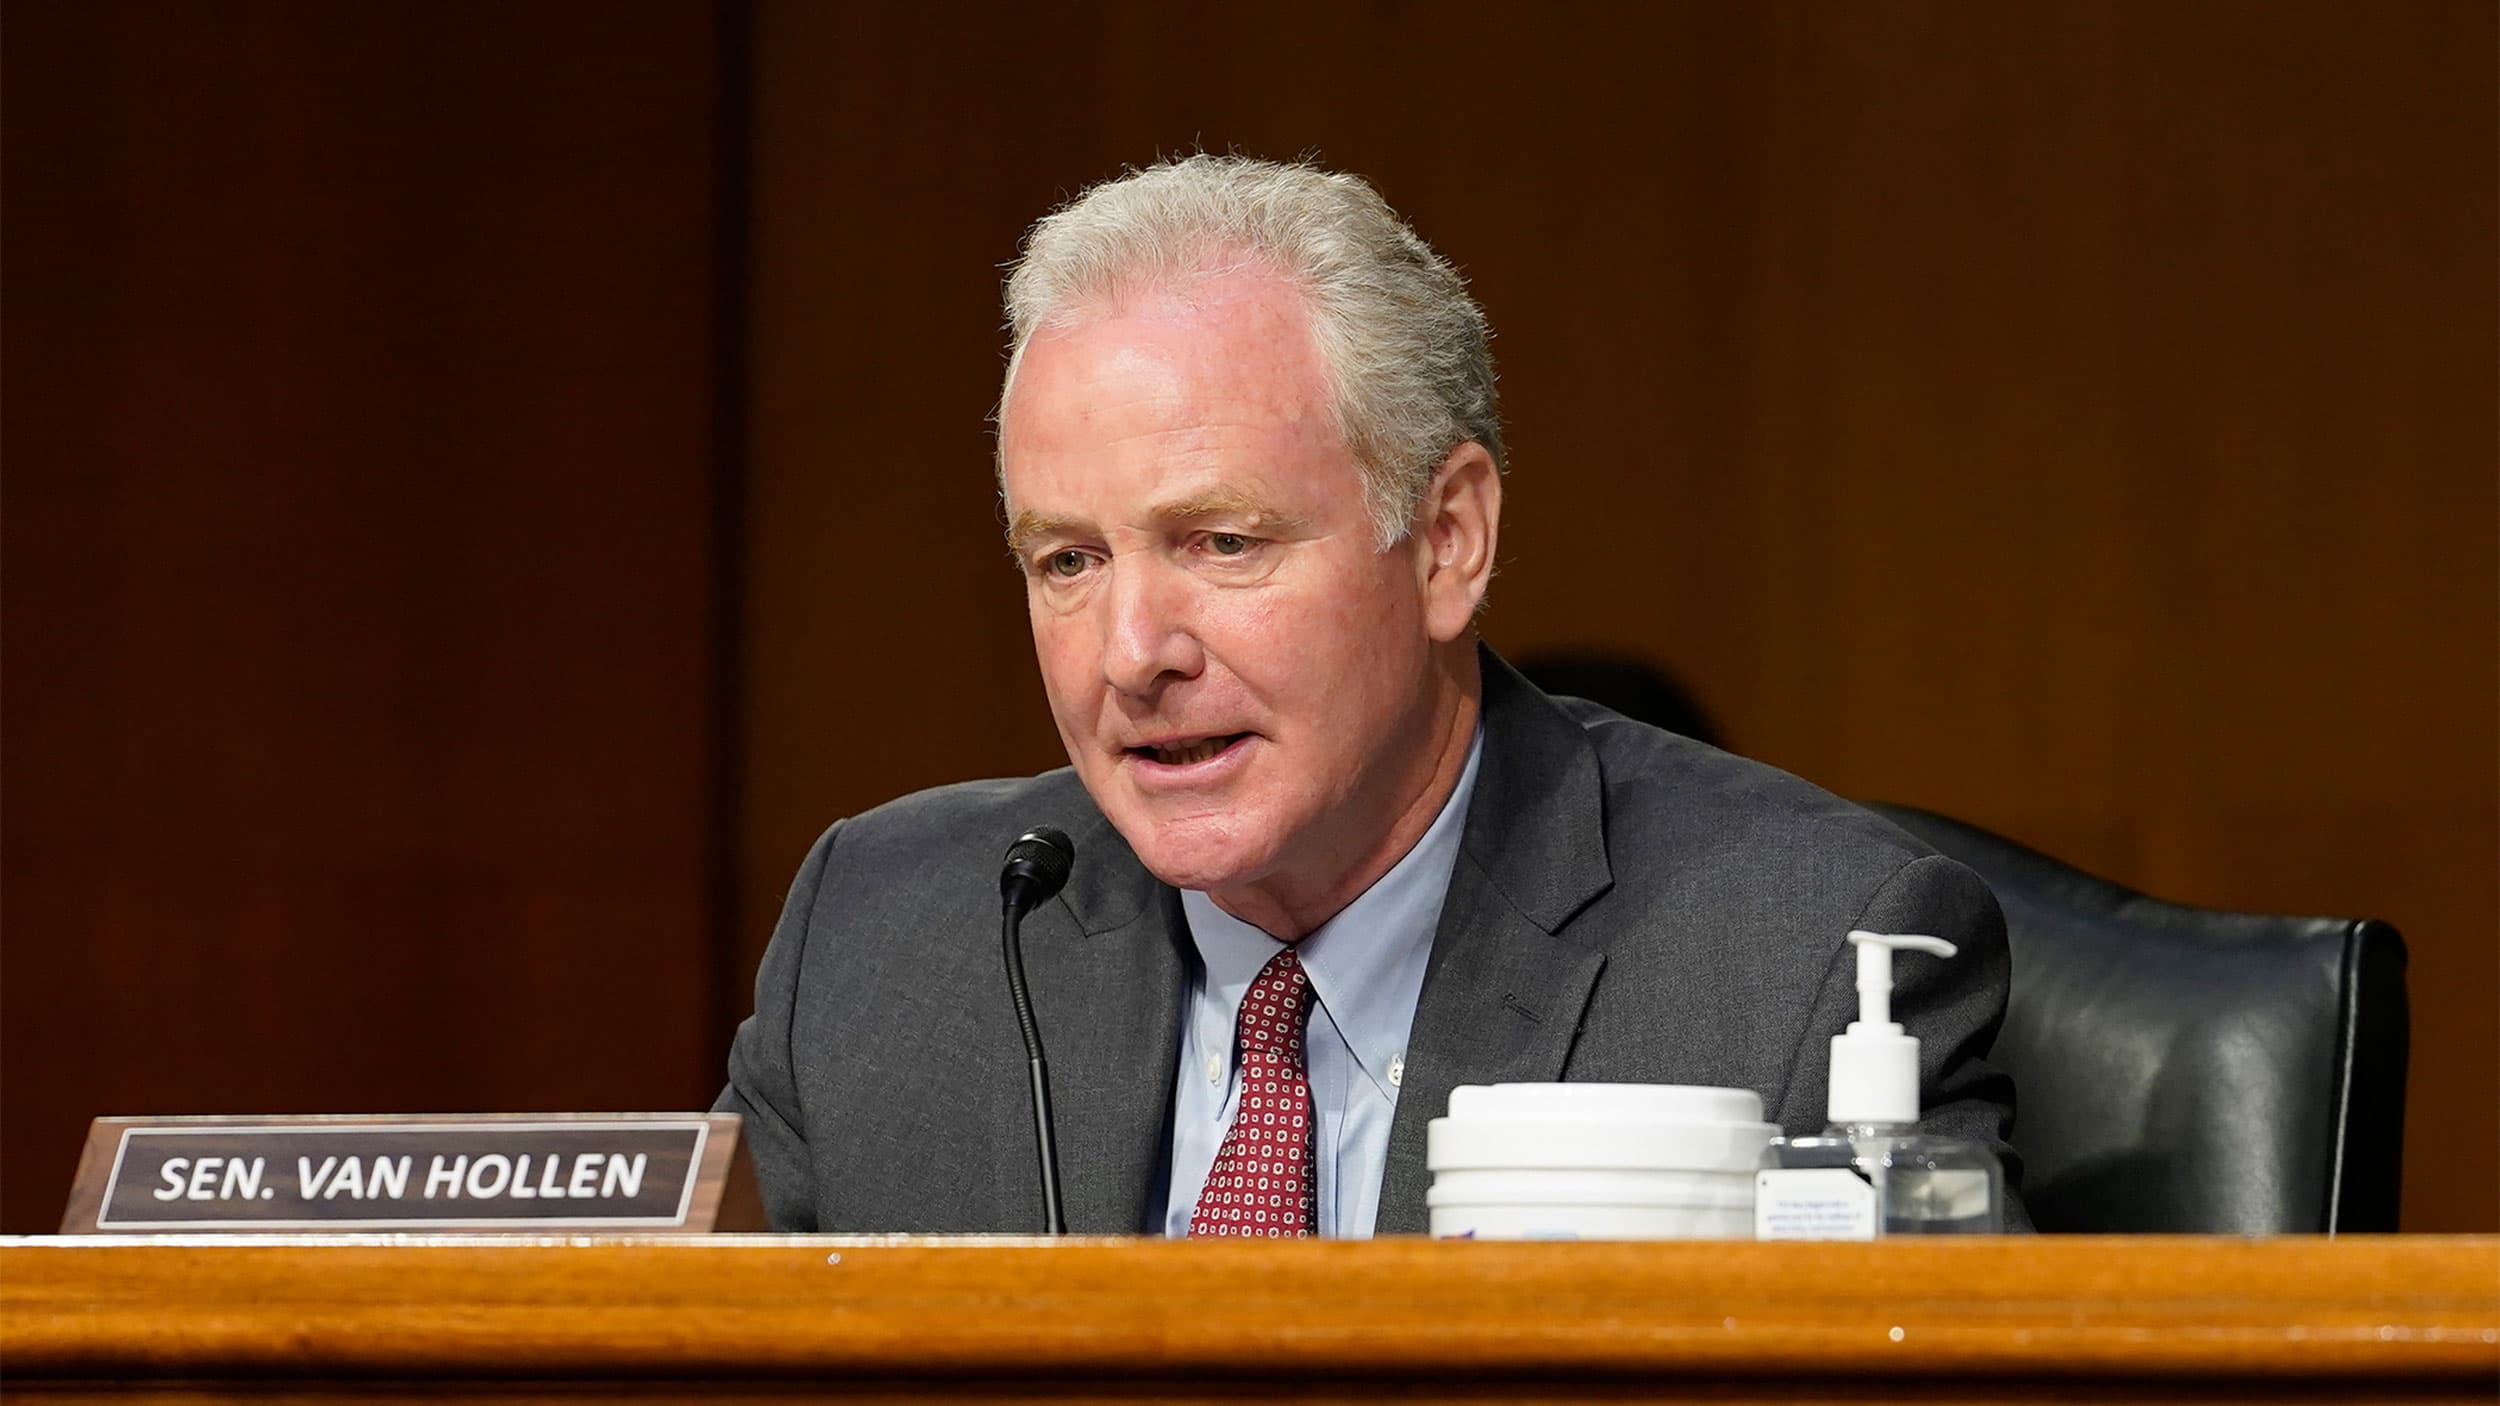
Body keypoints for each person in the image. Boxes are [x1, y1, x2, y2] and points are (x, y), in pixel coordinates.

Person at [718, 155, 2023, 1236]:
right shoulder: (882, 951)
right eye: (1069, 559)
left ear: (1448, 538)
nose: (1132, 650)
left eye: (1221, 543)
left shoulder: (1798, 964)